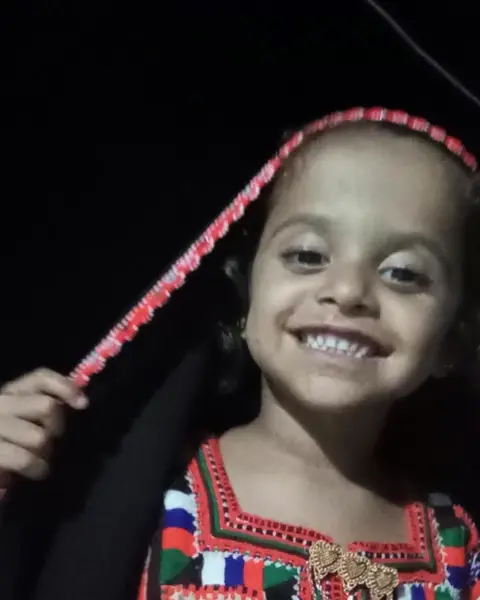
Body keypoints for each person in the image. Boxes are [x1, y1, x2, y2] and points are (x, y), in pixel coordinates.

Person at [1, 106, 480, 600]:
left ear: (452, 337)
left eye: (403, 273)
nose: (347, 291)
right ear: (246, 293)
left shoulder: (456, 551)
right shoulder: (128, 490)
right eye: (307, 256)